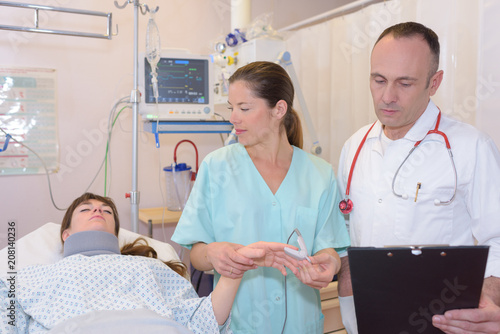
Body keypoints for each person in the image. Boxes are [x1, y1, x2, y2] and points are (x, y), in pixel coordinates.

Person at [336, 22, 500, 334]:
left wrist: (487, 299)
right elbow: (346, 233)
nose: (387, 96)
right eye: (379, 80)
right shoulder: (354, 146)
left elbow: (498, 236)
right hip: (365, 320)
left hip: (443, 321)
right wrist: (345, 286)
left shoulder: (471, 147)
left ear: (434, 82)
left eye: (405, 83)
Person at [172, 61, 350, 333]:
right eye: (231, 107)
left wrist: (330, 262)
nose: (233, 117)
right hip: (239, 324)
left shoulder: (319, 174)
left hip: (302, 324)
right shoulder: (216, 167)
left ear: (279, 109)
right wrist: (211, 253)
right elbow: (195, 254)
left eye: (244, 108)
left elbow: (329, 247)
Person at [0, 192, 299, 334]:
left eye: (106, 210)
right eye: (86, 209)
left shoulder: (151, 267)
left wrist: (235, 271)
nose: (97, 211)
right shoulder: (30, 277)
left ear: (116, 234)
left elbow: (202, 322)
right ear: (65, 234)